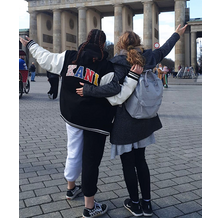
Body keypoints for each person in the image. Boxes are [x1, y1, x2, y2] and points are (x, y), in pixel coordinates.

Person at [20, 29, 142, 218]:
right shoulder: (106, 67)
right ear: (103, 45)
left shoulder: (69, 57)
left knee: (73, 150)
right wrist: (133, 78)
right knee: (91, 161)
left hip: (72, 115)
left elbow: (45, 59)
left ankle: (71, 188)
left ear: (86, 41)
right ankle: (90, 206)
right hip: (95, 121)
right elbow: (117, 97)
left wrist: (30, 45)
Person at [78, 24, 187, 217]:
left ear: (120, 44)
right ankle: (147, 204)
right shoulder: (147, 58)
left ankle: (134, 204)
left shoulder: (116, 62)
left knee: (128, 164)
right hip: (144, 121)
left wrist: (88, 90)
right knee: (141, 162)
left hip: (124, 122)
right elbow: (163, 50)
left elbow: (111, 89)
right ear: (138, 43)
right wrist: (176, 34)